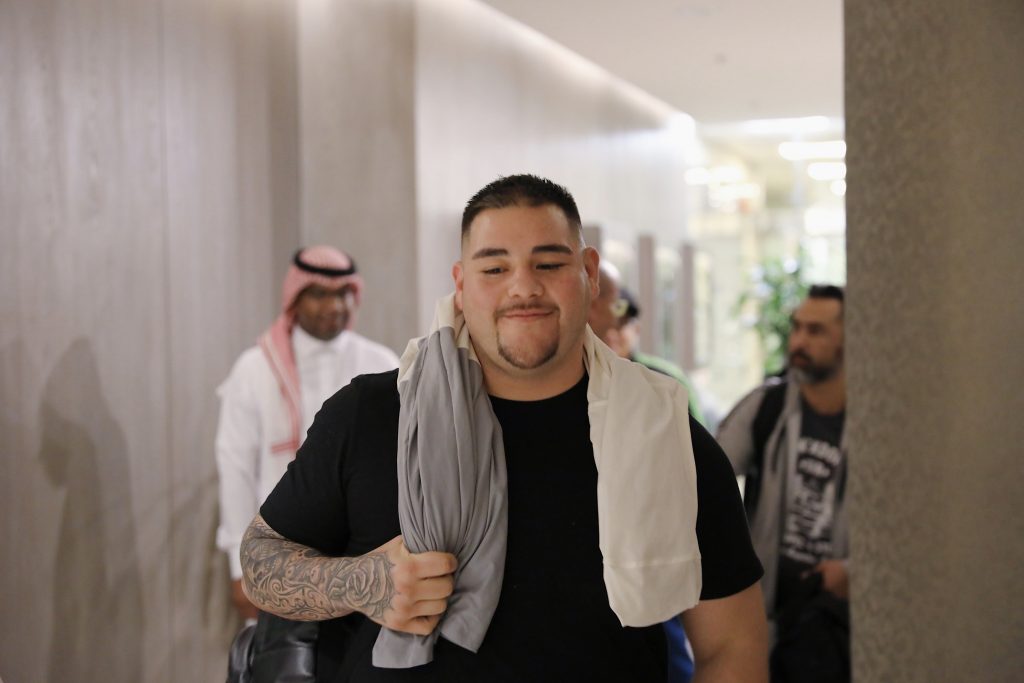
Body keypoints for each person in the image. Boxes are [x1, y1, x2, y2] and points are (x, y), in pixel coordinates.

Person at [240, 175, 768, 682]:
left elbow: (732, 647)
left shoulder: (665, 436)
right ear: (461, 284)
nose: (524, 288)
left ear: (589, 273)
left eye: (549, 263)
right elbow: (261, 561)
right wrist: (361, 582)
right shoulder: (371, 414)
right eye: (494, 268)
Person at [215, 246, 400, 620]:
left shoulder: (381, 364)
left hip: (363, 559)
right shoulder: (254, 369)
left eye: (343, 293)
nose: (334, 306)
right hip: (279, 558)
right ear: (295, 298)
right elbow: (235, 468)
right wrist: (240, 567)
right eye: (320, 294)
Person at [715, 285, 849, 679]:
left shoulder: (882, 422)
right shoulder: (767, 406)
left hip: (842, 625)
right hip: (770, 619)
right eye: (797, 328)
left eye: (816, 331)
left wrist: (855, 572)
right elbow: (706, 476)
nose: (799, 341)